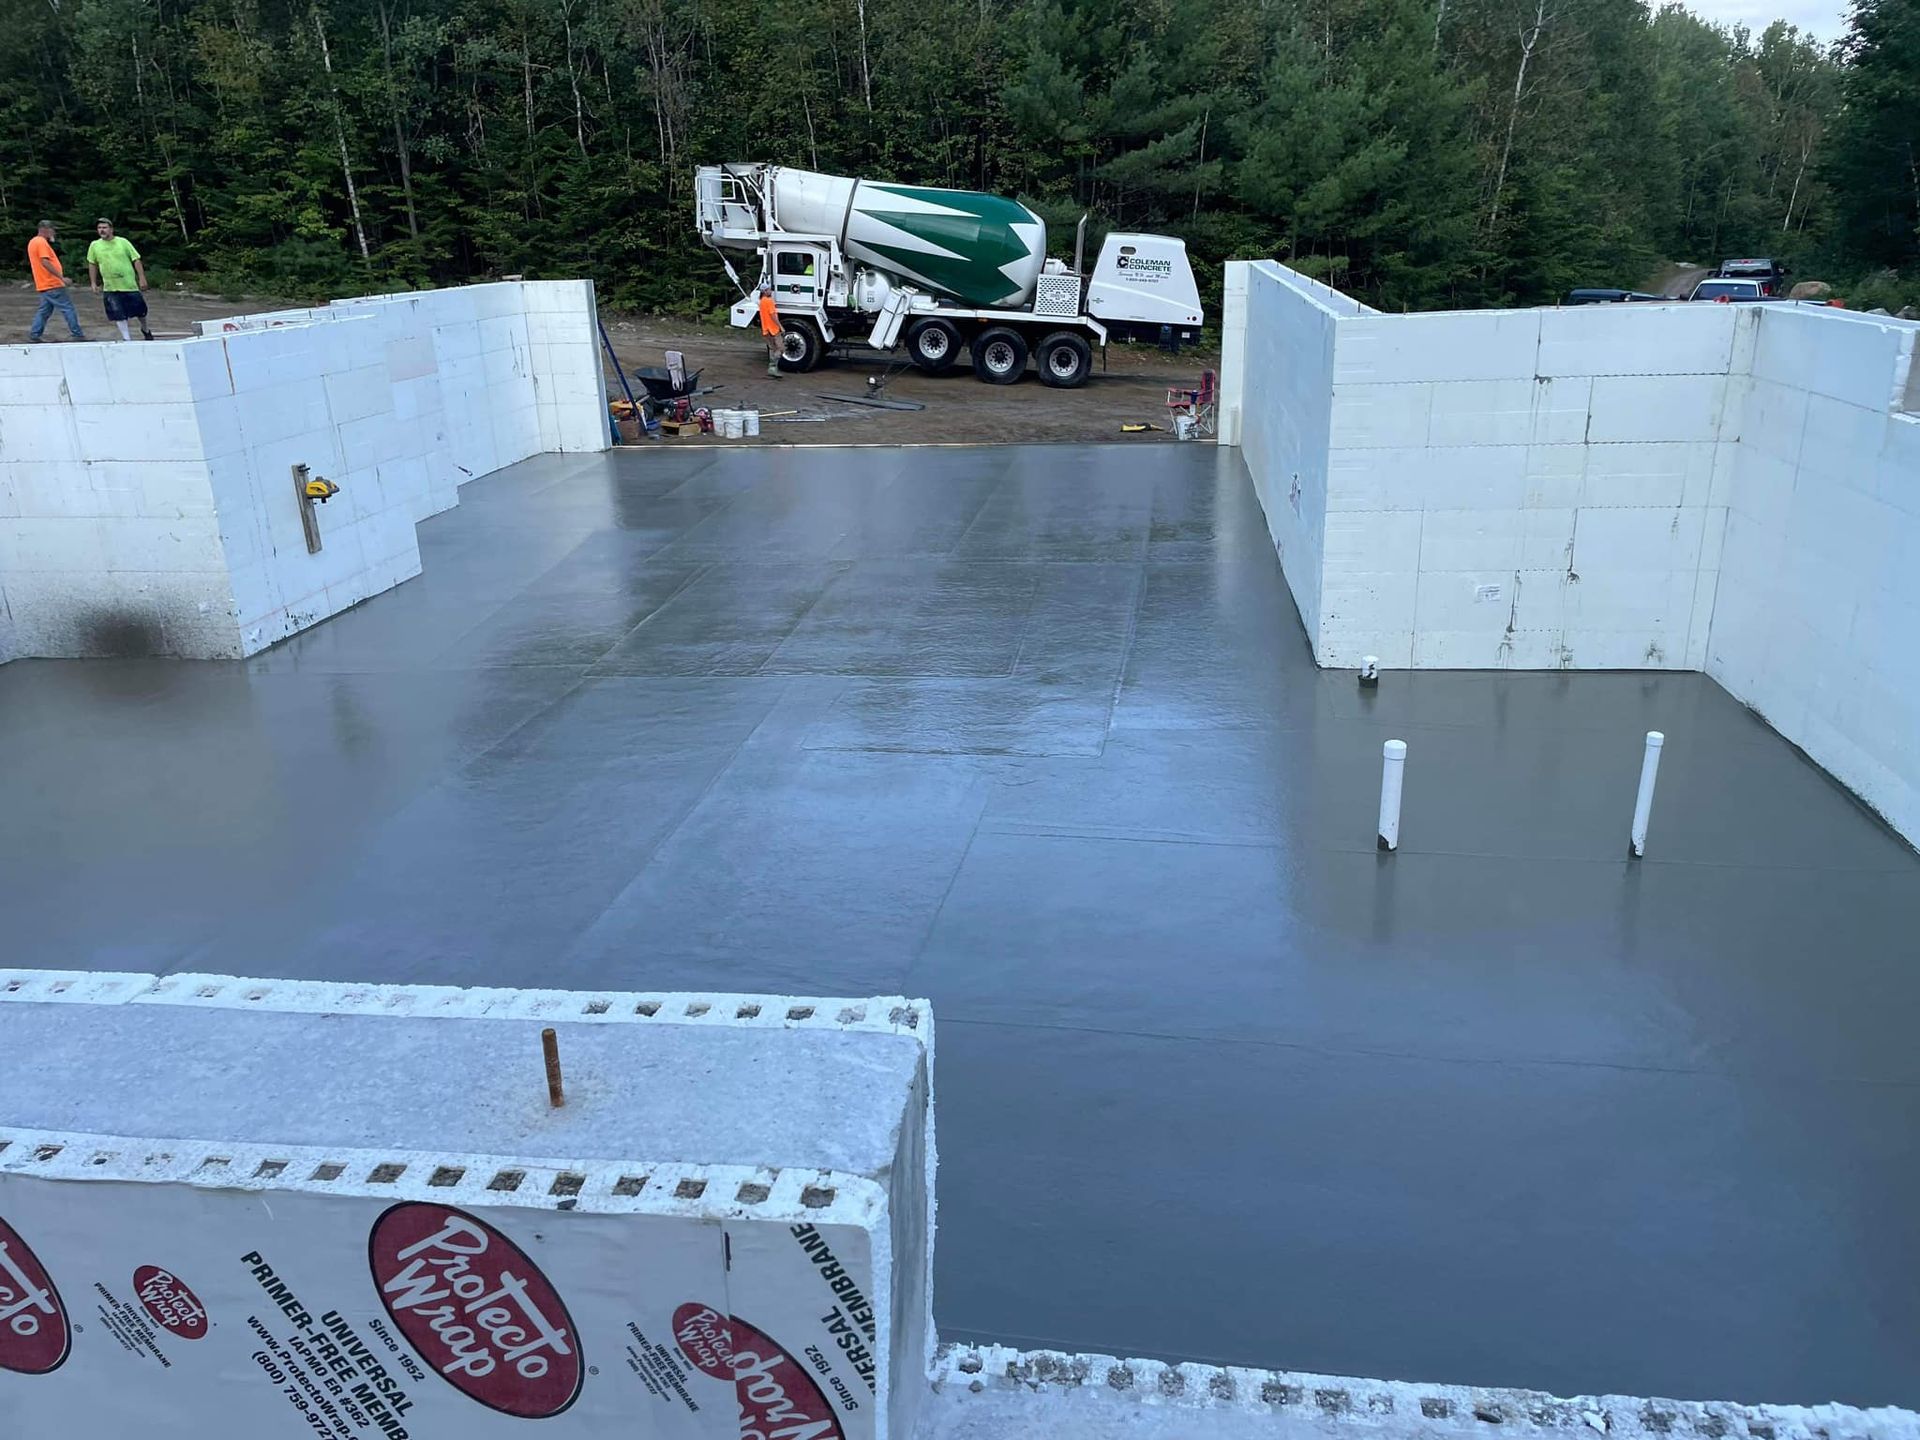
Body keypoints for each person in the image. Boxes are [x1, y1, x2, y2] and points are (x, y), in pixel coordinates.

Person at [86, 218, 152, 341]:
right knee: (118, 313)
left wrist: (142, 278)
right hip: (110, 286)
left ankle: (145, 329)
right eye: (100, 228)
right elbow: (92, 264)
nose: (102, 230)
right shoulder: (94, 245)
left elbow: (136, 259)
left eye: (104, 227)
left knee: (141, 311)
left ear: (111, 229)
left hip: (129, 284)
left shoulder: (123, 242)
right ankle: (127, 339)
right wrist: (93, 283)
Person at [26, 220, 85, 343]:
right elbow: (45, 261)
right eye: (53, 229)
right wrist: (61, 277)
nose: (54, 232)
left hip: (44, 284)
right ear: (45, 229)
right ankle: (77, 334)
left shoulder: (33, 242)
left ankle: (35, 334)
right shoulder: (41, 242)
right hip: (52, 283)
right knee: (68, 308)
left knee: (44, 311)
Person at [758, 282, 783, 377]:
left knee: (772, 349)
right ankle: (772, 367)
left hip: (766, 330)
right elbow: (773, 316)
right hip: (773, 329)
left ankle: (772, 369)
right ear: (765, 291)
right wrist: (780, 326)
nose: (771, 291)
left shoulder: (762, 301)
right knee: (780, 349)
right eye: (769, 289)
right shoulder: (769, 301)